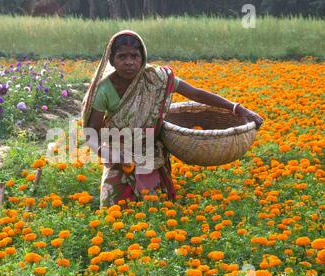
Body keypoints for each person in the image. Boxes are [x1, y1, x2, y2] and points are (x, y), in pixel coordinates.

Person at [82, 30, 263, 208]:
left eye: (134, 56)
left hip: (150, 153)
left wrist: (237, 108)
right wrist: (109, 154)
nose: (129, 62)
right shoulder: (104, 90)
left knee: (155, 210)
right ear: (111, 60)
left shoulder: (156, 78)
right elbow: (92, 133)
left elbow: (195, 93)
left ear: (142, 58)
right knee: (116, 210)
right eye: (122, 56)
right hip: (119, 154)